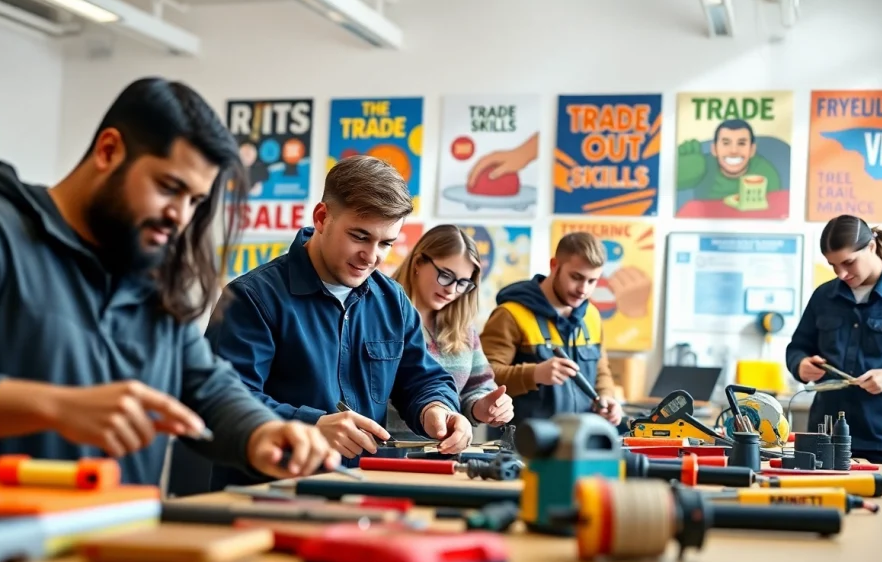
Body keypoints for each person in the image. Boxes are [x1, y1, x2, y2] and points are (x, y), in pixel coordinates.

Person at [0, 77, 339, 486]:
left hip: (115, 542)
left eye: (194, 200)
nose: (180, 215)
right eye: (168, 187)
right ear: (108, 151)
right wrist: (55, 406)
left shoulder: (147, 270)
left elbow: (207, 385)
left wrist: (260, 431)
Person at [205, 155, 472, 485]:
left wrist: (438, 410)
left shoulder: (394, 301)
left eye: (386, 243)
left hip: (364, 493)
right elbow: (223, 402)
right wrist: (311, 425)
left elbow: (422, 379)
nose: (371, 256)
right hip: (269, 497)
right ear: (321, 217)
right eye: (359, 237)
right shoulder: (251, 298)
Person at [786, 215, 882, 479]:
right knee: (823, 517)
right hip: (823, 439)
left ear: (871, 246)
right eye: (833, 266)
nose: (842, 274)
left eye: (848, 262)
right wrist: (800, 365)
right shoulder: (823, 296)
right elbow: (797, 347)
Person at [480, 232, 623, 432]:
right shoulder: (510, 315)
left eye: (592, 281)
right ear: (554, 265)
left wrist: (607, 397)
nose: (583, 289)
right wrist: (535, 374)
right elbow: (482, 379)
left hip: (582, 442)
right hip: (524, 446)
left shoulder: (592, 315)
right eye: (576, 277)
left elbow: (601, 372)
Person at [386, 225, 514, 439]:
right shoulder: (380, 314)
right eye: (446, 275)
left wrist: (484, 406)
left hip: (445, 450)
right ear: (418, 262)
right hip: (384, 449)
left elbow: (478, 386)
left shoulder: (463, 328)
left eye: (464, 283)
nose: (452, 290)